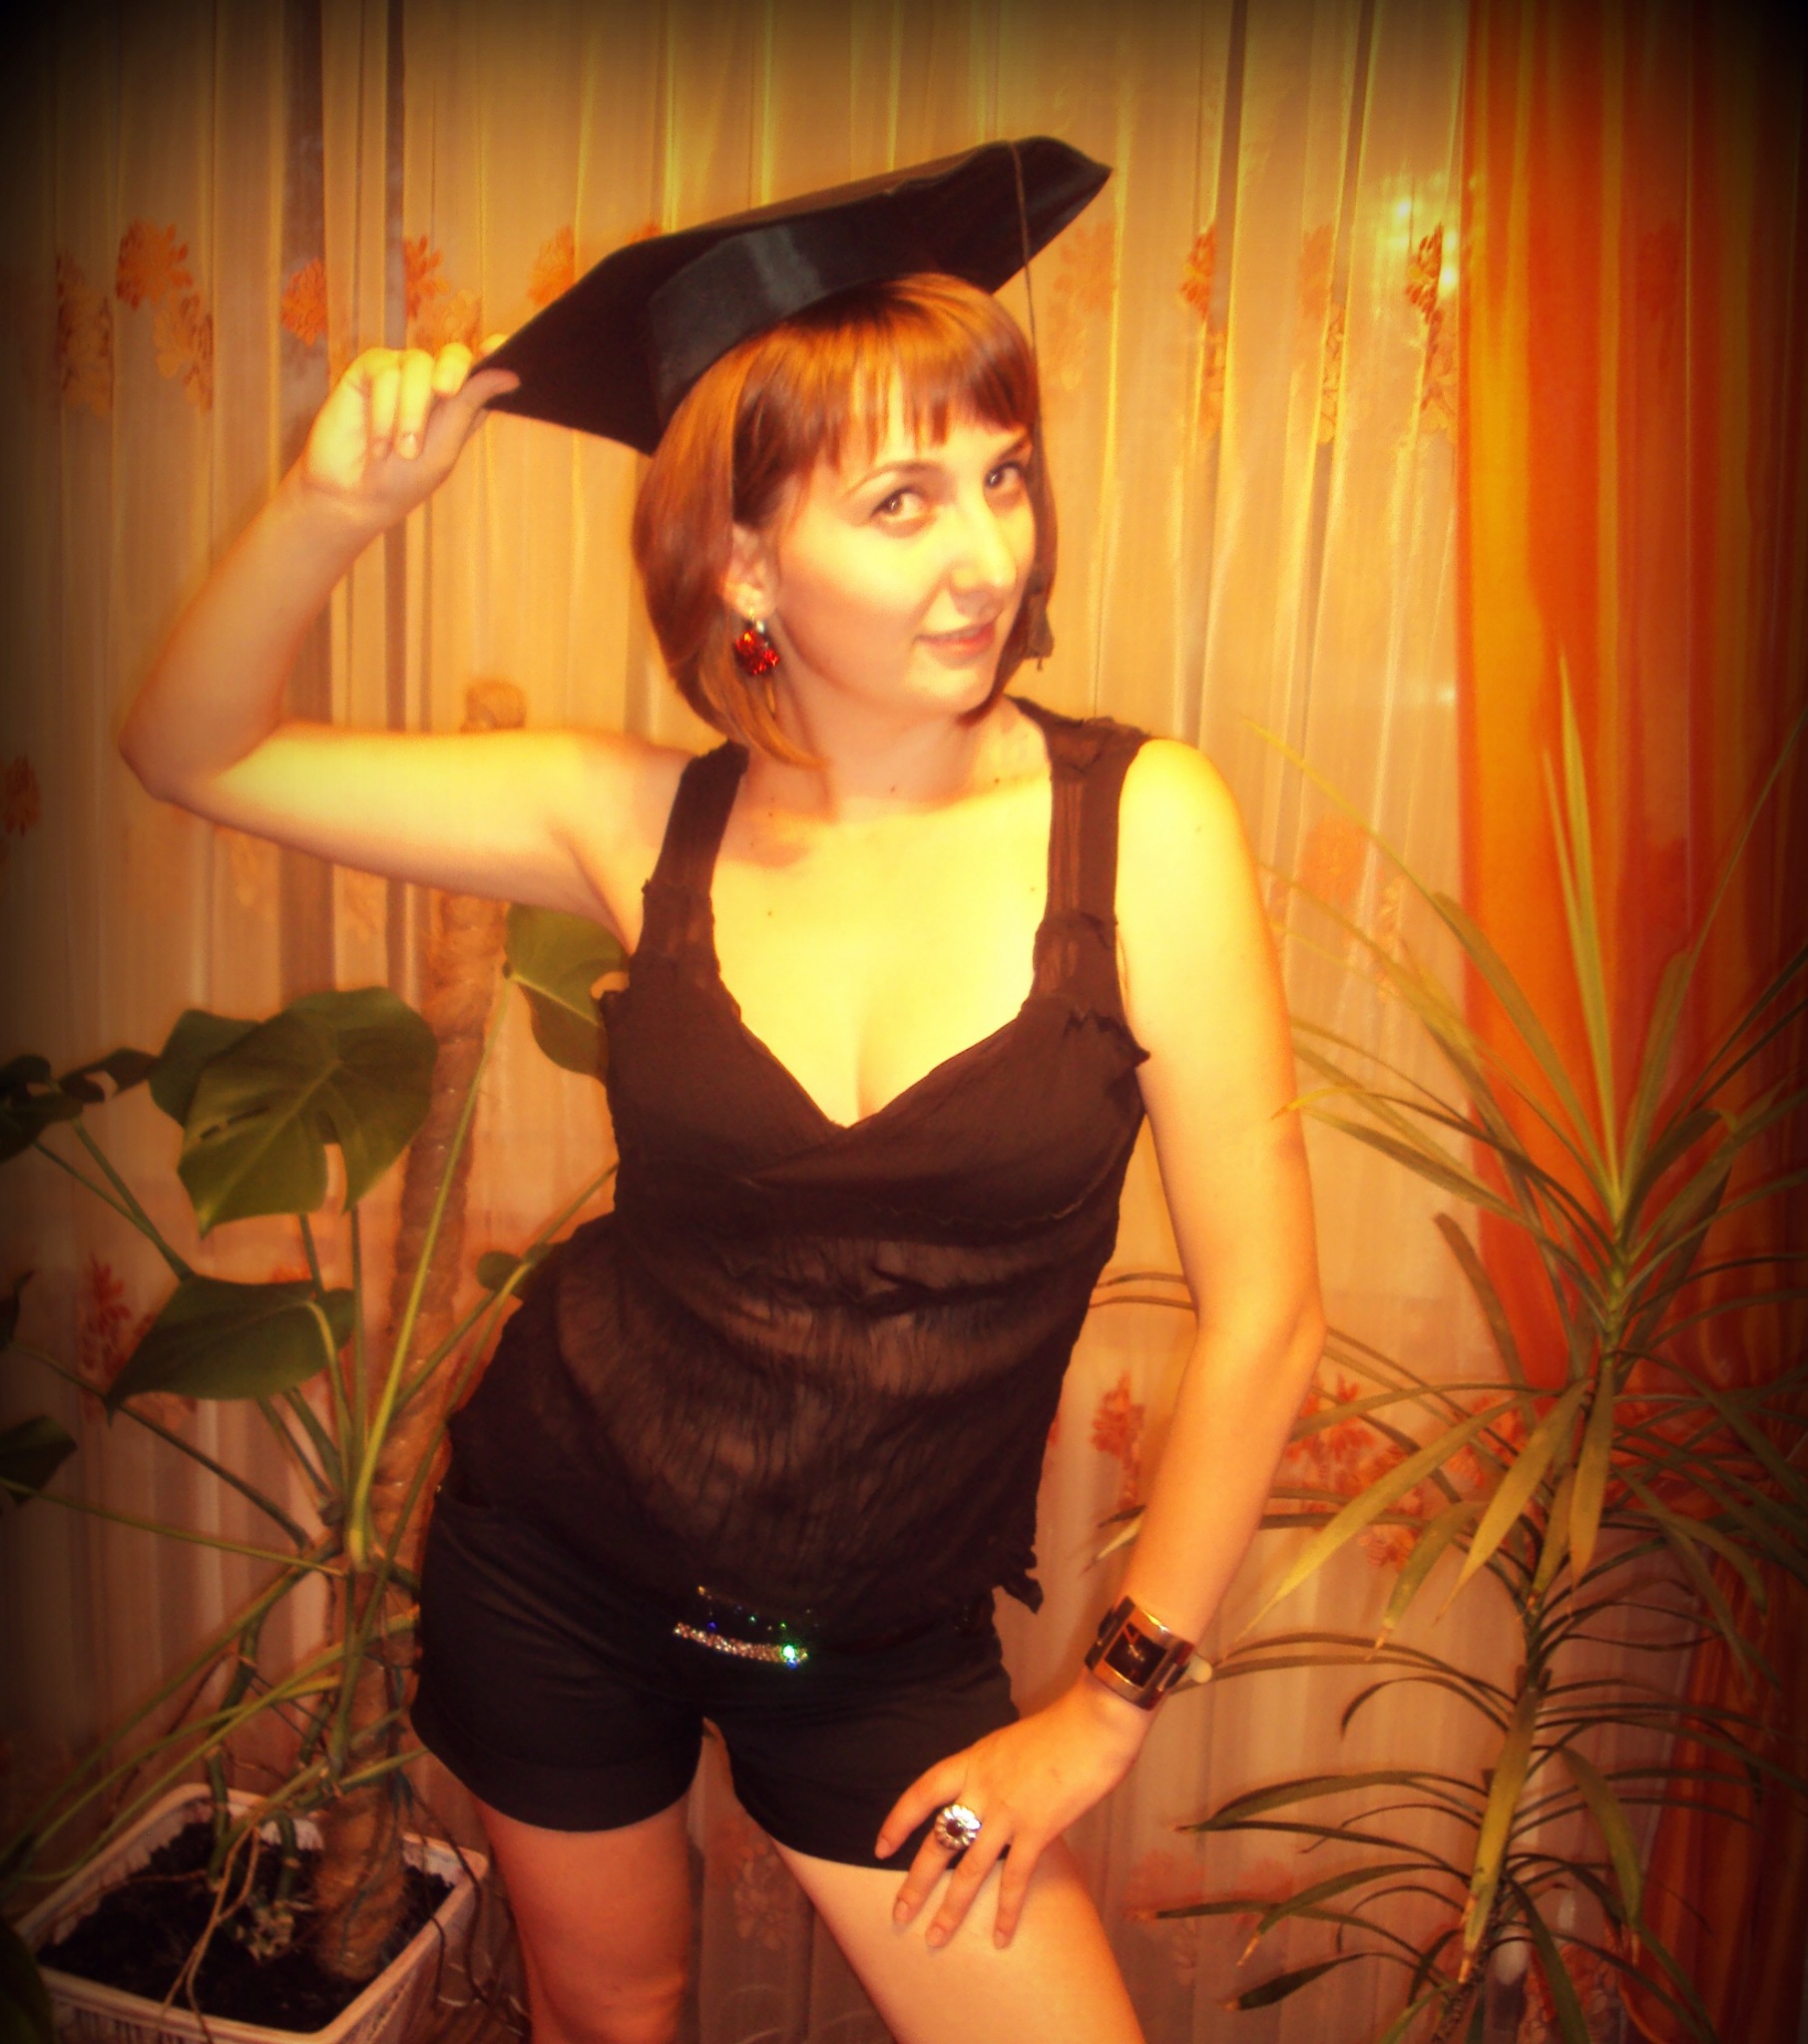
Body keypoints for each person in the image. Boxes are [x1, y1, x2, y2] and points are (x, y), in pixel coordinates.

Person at [121, 141, 1323, 2044]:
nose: (988, 555)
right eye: (905, 499)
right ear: (746, 561)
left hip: (875, 1648)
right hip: (553, 1563)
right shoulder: (630, 820)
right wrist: (329, 510)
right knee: (617, 2016)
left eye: (1004, 475)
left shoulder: (1141, 829)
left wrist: (1106, 1708)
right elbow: (195, 749)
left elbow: (1269, 1314)